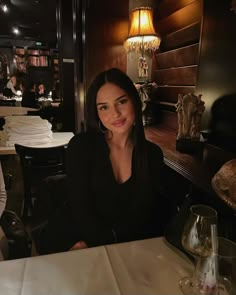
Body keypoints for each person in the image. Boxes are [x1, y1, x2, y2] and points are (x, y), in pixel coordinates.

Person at [34, 68, 175, 254]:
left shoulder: (152, 155)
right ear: (96, 112)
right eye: (104, 107)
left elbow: (145, 217)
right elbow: (81, 211)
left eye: (121, 102)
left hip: (124, 249)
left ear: (135, 101)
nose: (114, 114)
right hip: (76, 239)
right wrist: (97, 245)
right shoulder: (81, 146)